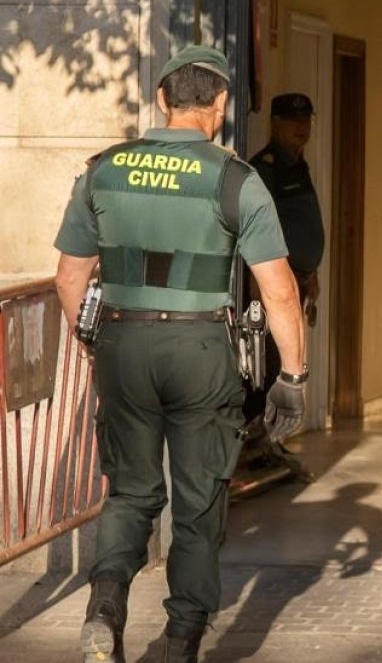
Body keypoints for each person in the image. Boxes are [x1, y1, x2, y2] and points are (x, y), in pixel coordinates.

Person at [52, 45, 308, 663]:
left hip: (124, 341)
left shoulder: (103, 170)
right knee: (198, 503)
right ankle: (180, 640)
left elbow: (68, 277)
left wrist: (95, 344)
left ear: (162, 99)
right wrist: (293, 376)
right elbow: (278, 288)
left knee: (130, 493)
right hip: (200, 349)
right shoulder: (236, 180)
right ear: (220, 105)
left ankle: (104, 608)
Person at [243, 93, 325, 423]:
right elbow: (255, 233)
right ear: (275, 124)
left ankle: (271, 444)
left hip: (298, 282)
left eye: (305, 121)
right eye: (293, 122)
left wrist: (311, 270)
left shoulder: (298, 164)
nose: (301, 128)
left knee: (285, 357)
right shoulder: (265, 168)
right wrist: (257, 293)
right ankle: (257, 440)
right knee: (268, 364)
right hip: (274, 287)